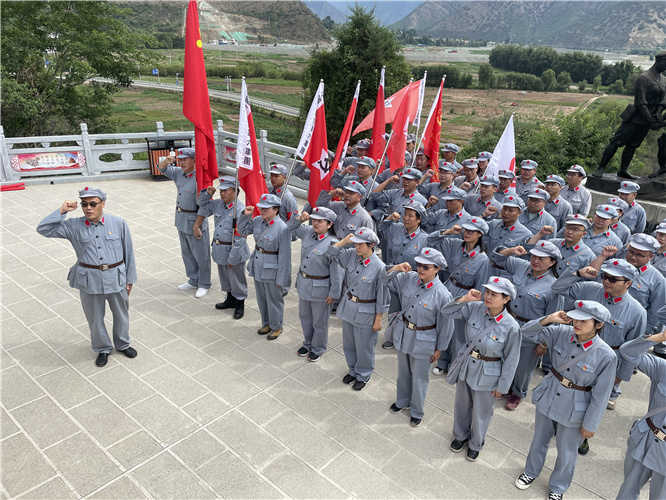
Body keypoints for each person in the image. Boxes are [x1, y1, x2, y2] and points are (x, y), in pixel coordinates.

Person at [515, 301, 616, 500]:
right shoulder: (560, 332)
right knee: (539, 440)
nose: (576, 323)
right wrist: (549, 319)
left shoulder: (606, 355)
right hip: (550, 394)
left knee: (567, 451)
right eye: (575, 318)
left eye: (583, 321)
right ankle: (531, 472)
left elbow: (601, 395)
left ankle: (558, 487)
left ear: (599, 325)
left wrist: (590, 424)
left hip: (576, 407)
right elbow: (524, 332)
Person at [552, 259, 646, 458]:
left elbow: (633, 349)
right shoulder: (590, 289)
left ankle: (583, 435)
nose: (606, 281)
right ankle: (557, 420)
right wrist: (577, 274)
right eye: (604, 276)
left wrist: (619, 377)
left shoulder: (637, 312)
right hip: (576, 351)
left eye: (613, 278)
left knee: (593, 400)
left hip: (606, 362)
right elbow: (558, 287)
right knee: (569, 390)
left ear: (628, 283)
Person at [37, 187, 137, 367]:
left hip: (116, 277)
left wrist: (130, 279)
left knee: (121, 315)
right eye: (84, 204)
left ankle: (123, 344)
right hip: (89, 279)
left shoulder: (118, 223)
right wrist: (62, 211)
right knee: (95, 318)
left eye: (92, 204)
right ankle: (103, 348)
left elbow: (128, 252)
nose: (88, 208)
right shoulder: (73, 225)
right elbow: (43, 229)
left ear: (103, 204)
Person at [444, 277, 521, 462]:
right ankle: (460, 435)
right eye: (487, 292)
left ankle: (476, 443)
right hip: (467, 366)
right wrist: (465, 298)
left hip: (489, 373)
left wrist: (503, 386)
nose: (488, 296)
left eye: (494, 294)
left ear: (506, 299)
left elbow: (512, 359)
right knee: (461, 405)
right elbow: (446, 312)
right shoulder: (475, 308)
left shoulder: (511, 326)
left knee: (482, 411)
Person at [382, 248, 453, 426]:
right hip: (404, 333)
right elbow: (383, 280)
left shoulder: (443, 295)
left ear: (437, 269)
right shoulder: (409, 278)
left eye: (426, 267)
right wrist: (396, 268)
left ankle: (416, 410)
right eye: (419, 264)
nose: (420, 269)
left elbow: (446, 326)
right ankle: (402, 401)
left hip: (425, 340)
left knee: (420, 378)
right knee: (403, 374)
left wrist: (439, 349)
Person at [492, 241, 563, 411]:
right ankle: (505, 386)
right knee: (504, 357)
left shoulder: (554, 286)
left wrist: (544, 343)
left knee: (524, 365)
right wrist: (511, 250)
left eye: (541, 258)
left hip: (531, 330)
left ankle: (518, 392)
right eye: (534, 256)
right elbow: (496, 257)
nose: (535, 260)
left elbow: (553, 318)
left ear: (552, 262)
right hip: (508, 322)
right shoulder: (521, 266)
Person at [326, 227, 389, 391]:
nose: (357, 247)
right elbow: (331, 253)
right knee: (349, 343)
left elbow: (382, 295)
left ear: (371, 245)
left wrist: (378, 318)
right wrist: (345, 241)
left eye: (361, 244)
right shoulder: (351, 256)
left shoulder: (379, 267)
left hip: (366, 311)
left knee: (364, 346)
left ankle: (364, 374)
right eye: (356, 244)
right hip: (349, 307)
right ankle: (353, 370)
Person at [428, 217, 492, 375]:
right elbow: (431, 239)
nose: (467, 233)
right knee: (444, 327)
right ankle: (442, 361)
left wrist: (475, 307)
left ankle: (455, 366)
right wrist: (449, 231)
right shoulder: (455, 245)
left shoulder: (483, 259)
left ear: (479, 234)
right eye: (466, 229)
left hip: (465, 296)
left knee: (458, 334)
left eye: (472, 231)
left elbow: (481, 286)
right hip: (449, 288)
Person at [593, 51, 666, 180]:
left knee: (633, 145)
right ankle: (601, 168)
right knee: (616, 141)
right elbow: (640, 102)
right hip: (636, 117)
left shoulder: (663, 79)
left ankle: (623, 170)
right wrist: (650, 120)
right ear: (659, 61)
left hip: (648, 119)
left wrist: (658, 115)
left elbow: (663, 100)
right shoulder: (644, 78)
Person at [288, 207, 344, 362]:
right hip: (305, 283)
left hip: (321, 287)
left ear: (329, 224)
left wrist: (334, 293)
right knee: (305, 317)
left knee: (319, 321)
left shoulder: (333, 244)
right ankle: (307, 343)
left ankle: (318, 348)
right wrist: (299, 219)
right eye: (314, 220)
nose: (316, 223)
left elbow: (338, 272)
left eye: (320, 221)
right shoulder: (307, 232)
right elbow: (289, 228)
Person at [616, 331, 666, 500]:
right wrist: (659, 338)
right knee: (627, 490)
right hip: (646, 438)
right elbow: (628, 352)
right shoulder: (662, 368)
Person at [157, 147, 211, 298]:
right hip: (181, 219)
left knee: (201, 255)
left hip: (195, 220)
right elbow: (162, 169)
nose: (181, 162)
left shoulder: (200, 178)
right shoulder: (180, 173)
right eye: (179, 159)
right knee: (187, 253)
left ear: (194, 160)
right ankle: (193, 279)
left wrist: (197, 226)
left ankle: (204, 283)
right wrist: (166, 161)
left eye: (185, 159)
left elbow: (205, 206)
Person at [238, 193, 292, 341]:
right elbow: (242, 231)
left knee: (274, 300)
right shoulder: (257, 221)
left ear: (275, 210)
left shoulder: (282, 228)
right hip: (258, 265)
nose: (262, 211)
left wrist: (282, 278)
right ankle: (266, 323)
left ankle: (277, 326)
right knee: (262, 299)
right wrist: (245, 215)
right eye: (261, 208)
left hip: (272, 269)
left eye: (266, 209)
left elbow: (285, 257)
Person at [196, 176, 249, 320]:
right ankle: (230, 299)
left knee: (237, 279)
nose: (222, 194)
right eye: (221, 191)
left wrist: (234, 256)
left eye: (226, 191)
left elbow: (240, 237)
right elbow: (202, 205)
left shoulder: (241, 210)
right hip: (220, 248)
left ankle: (240, 303)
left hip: (234, 249)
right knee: (225, 277)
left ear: (235, 192)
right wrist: (207, 194)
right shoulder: (219, 204)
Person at [379, 200, 430, 349]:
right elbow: (381, 228)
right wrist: (389, 218)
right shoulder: (395, 228)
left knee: (409, 311)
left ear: (419, 219)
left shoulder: (424, 239)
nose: (406, 218)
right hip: (395, 277)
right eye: (404, 215)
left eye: (410, 216)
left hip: (412, 280)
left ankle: (407, 338)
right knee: (394, 309)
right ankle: (392, 336)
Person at [622, 234, 666, 359]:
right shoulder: (617, 267)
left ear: (651, 257)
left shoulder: (657, 280)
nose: (633, 257)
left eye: (639, 255)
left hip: (634, 328)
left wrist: (644, 335)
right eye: (631, 252)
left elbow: (655, 312)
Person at [525, 215, 596, 277]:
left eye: (576, 229)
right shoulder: (552, 243)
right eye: (568, 228)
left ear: (584, 234)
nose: (570, 232)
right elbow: (528, 250)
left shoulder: (588, 255)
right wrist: (540, 233)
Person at [483, 195, 533, 278]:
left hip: (504, 274)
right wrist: (485, 214)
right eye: (504, 209)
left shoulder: (525, 234)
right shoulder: (493, 224)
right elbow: (476, 227)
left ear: (519, 213)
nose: (506, 213)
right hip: (486, 269)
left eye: (511, 210)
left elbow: (525, 262)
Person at [316, 181, 375, 245]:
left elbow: (367, 242)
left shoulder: (365, 218)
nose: (347, 195)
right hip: (332, 248)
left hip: (348, 252)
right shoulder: (338, 206)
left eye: (352, 193)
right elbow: (320, 204)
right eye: (346, 192)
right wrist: (332, 192)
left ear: (359, 197)